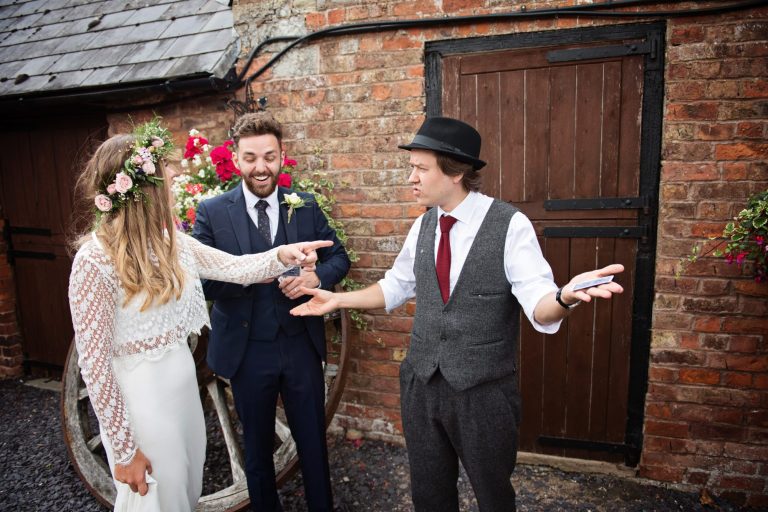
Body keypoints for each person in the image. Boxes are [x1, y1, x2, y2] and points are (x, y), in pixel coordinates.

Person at [290, 116, 625, 512]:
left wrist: (565, 297)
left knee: (494, 496)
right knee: (429, 494)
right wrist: (337, 300)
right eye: (411, 167)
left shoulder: (509, 225)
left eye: (421, 168)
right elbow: (396, 286)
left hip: (484, 392)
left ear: (455, 172)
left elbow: (539, 305)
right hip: (421, 384)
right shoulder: (423, 226)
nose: (411, 178)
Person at [67, 118, 332, 512]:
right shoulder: (93, 261)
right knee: (160, 497)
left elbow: (235, 268)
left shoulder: (170, 243)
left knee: (185, 490)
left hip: (183, 395)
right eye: (166, 178)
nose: (173, 185)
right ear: (145, 190)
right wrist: (124, 451)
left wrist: (281, 255)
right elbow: (94, 365)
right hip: (145, 402)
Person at [193, 112, 350, 512]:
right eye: (250, 158)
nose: (260, 167)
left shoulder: (306, 206)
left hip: (301, 346)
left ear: (282, 155)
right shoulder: (212, 212)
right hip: (247, 352)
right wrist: (252, 275)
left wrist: (316, 279)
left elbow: (339, 258)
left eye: (268, 156)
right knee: (258, 452)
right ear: (235, 158)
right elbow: (201, 282)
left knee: (313, 445)